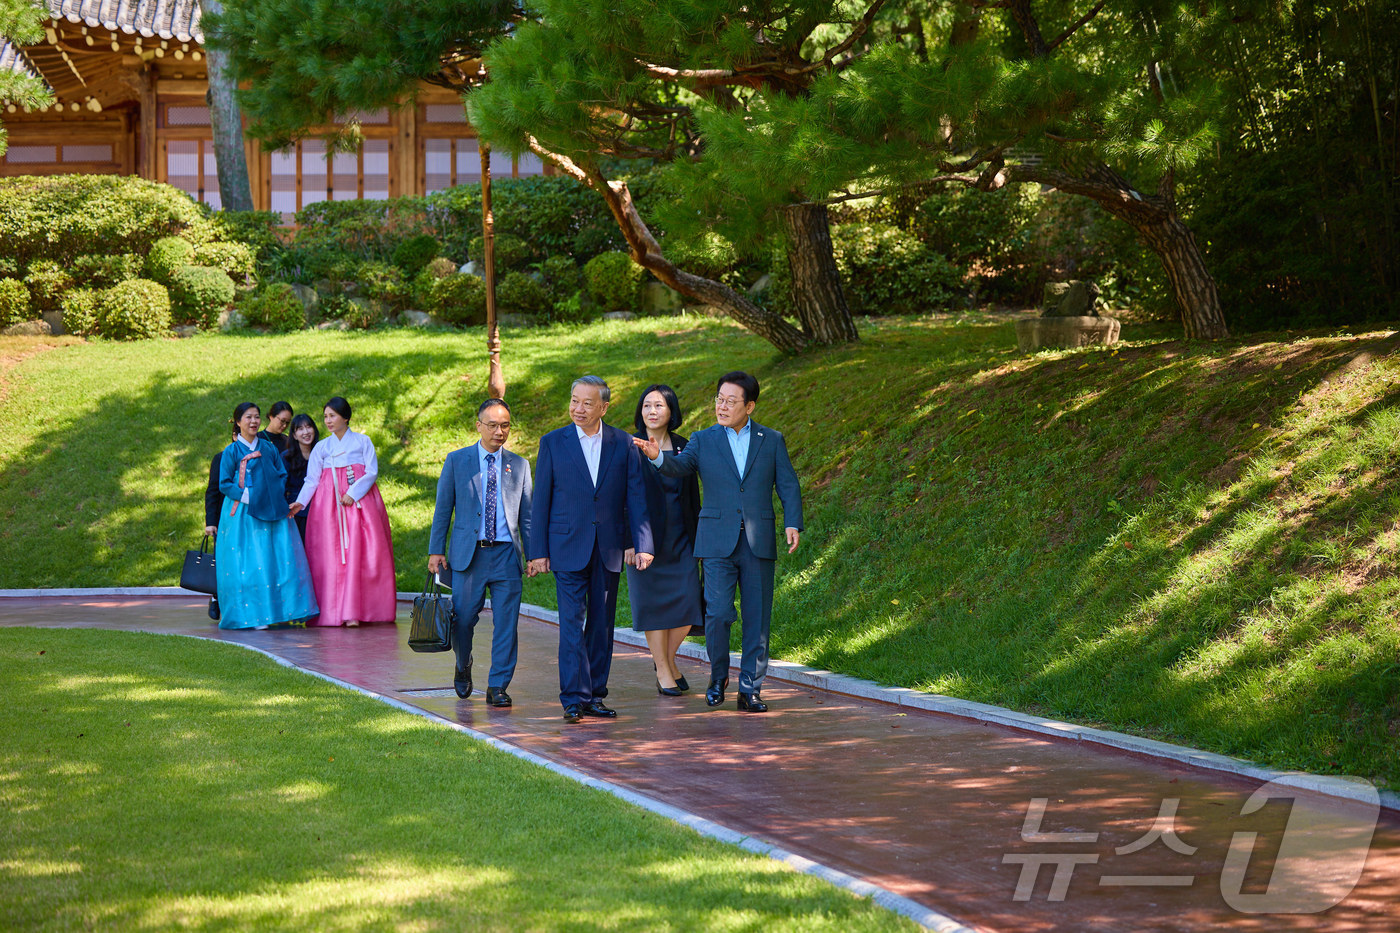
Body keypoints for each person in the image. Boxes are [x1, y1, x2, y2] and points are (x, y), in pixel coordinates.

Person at [635, 371, 802, 713]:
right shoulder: (703, 439)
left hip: (757, 541)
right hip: (714, 542)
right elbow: (679, 467)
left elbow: (787, 483)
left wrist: (793, 523)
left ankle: (750, 689)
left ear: (750, 405)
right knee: (719, 613)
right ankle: (718, 676)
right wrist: (657, 457)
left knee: (757, 618)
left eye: (731, 401)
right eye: (719, 399)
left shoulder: (770, 439)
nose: (722, 406)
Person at [530, 375, 654, 723]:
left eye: (587, 403)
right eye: (573, 401)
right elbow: (541, 501)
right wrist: (537, 551)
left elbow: (635, 497)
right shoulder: (553, 442)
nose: (578, 409)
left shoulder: (623, 443)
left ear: (604, 407)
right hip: (567, 546)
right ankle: (572, 698)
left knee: (601, 625)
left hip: (609, 547)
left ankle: (594, 694)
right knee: (571, 624)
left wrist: (640, 543)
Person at [428, 399, 533, 707]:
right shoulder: (457, 461)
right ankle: (463, 664)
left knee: (506, 623)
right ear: (478, 426)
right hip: (468, 557)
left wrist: (536, 555)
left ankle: (498, 685)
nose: (499, 432)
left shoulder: (520, 465)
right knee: (462, 620)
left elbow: (527, 516)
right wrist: (436, 550)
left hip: (506, 557)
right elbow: (443, 509)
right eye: (493, 425)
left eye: (505, 426)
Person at [289, 396, 397, 627]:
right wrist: (301, 502)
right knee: (330, 556)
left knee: (361, 552)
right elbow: (312, 479)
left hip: (358, 505)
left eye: (332, 415)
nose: (328, 420)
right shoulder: (322, 447)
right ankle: (334, 612)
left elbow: (371, 472)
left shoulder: (362, 441)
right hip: (328, 507)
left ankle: (359, 611)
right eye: (326, 416)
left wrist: (353, 493)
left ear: (345, 417)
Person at [626, 384, 702, 696]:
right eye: (647, 405)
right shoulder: (628, 448)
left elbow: (693, 497)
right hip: (644, 541)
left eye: (659, 405)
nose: (652, 411)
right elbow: (620, 498)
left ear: (671, 411)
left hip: (681, 539)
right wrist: (629, 541)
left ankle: (665, 661)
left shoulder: (686, 446)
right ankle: (664, 671)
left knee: (689, 605)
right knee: (654, 607)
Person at [214, 402, 318, 629]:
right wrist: (246, 496)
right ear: (238, 422)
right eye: (248, 417)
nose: (253, 421)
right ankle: (253, 614)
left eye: (257, 417)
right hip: (243, 514)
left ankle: (280, 611)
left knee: (276, 560)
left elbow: (281, 474)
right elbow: (224, 483)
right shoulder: (231, 452)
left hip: (273, 512)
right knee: (248, 563)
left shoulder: (269, 448)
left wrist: (273, 494)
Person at [283, 413, 319, 541]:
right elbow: (281, 487)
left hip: (320, 508)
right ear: (294, 435)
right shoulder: (286, 457)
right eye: (300, 429)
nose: (306, 432)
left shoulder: (323, 453)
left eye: (309, 427)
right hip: (296, 511)